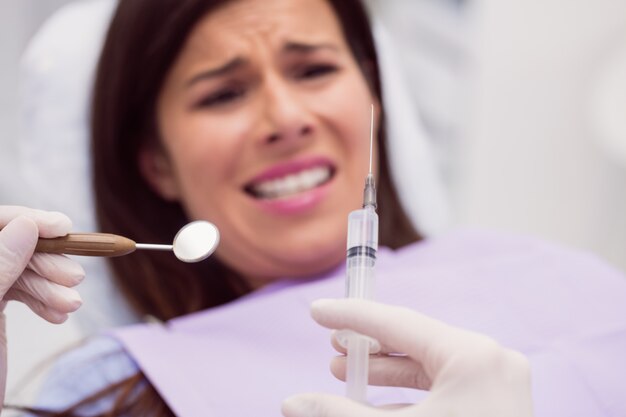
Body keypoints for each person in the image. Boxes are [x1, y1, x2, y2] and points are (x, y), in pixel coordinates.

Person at [3, 0, 626, 415]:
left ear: (375, 102)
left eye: (314, 69)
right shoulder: (112, 390)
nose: (288, 119)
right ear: (156, 163)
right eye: (224, 93)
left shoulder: (571, 284)